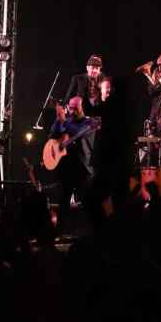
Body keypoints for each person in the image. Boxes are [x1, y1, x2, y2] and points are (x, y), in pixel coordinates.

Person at [50, 96, 97, 231]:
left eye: (75, 108)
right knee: (63, 200)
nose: (72, 111)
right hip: (67, 167)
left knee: (87, 201)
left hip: (83, 168)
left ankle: (91, 231)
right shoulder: (68, 120)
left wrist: (63, 120)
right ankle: (60, 232)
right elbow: (53, 133)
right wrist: (58, 119)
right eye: (70, 108)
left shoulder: (89, 122)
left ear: (82, 107)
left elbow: (76, 132)